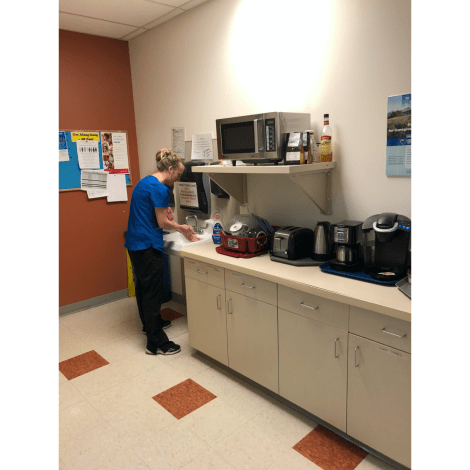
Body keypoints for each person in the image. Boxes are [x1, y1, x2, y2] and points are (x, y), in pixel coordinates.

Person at [125, 148, 198, 355]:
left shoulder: (145, 182)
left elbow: (153, 211)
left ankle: (150, 325)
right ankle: (156, 343)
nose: (177, 179)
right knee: (153, 294)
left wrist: (166, 213)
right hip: (147, 245)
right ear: (170, 168)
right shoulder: (160, 189)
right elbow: (162, 222)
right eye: (178, 174)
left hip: (135, 243)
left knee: (143, 289)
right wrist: (182, 228)